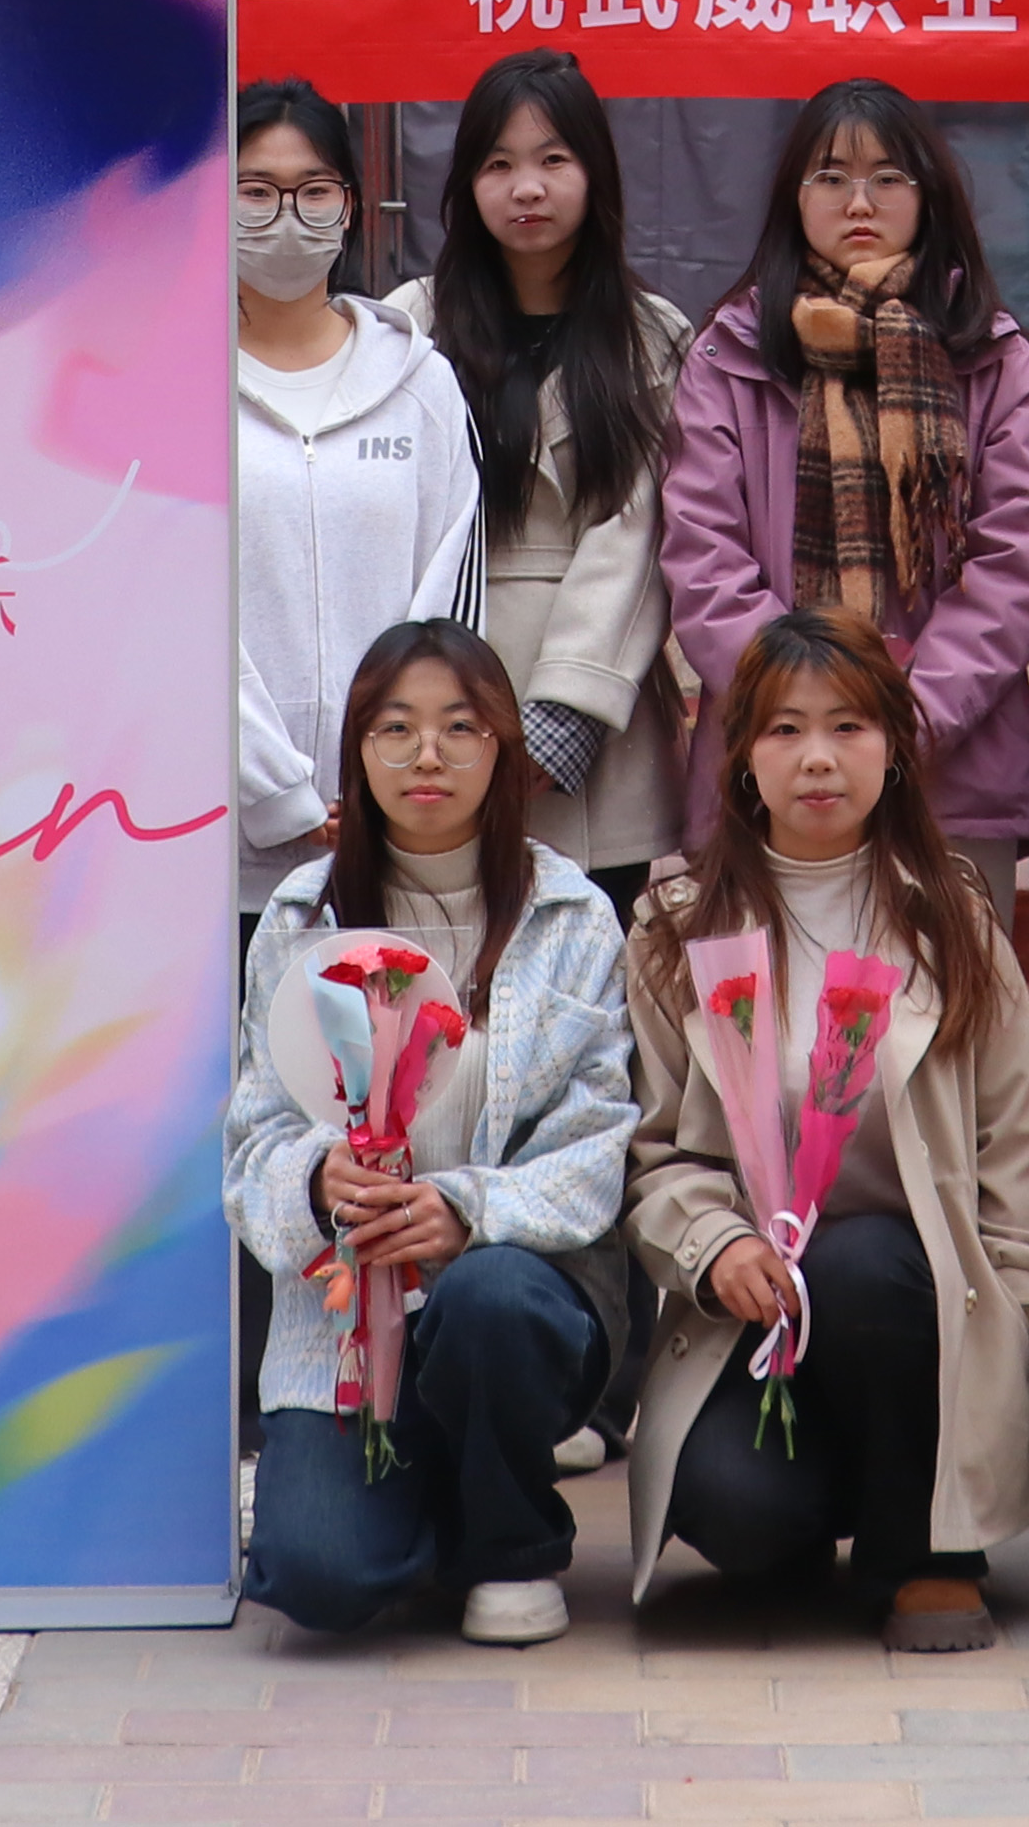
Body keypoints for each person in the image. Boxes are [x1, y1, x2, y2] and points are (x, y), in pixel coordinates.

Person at [619, 617, 1029, 1652]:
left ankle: (927, 1554)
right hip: (755, 1323)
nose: (817, 757)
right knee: (738, 1516)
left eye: (848, 726)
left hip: (913, 1305)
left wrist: (1016, 1316)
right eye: (784, 729)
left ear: (894, 747)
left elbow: (1012, 1140)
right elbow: (655, 1151)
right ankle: (841, 1491)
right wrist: (715, 1243)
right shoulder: (678, 929)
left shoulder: (951, 918)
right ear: (741, 754)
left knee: (861, 1262)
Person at [228, 621, 635, 1646]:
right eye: (395, 727)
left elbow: (597, 1142)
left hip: (517, 1299)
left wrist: (465, 1209)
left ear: (503, 748)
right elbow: (251, 1140)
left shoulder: (571, 916)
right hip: (343, 1320)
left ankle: (509, 1543)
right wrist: (317, 1179)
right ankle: (436, 1495)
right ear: (357, 750)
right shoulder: (302, 917)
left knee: (491, 1300)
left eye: (461, 727)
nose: (427, 754)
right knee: (317, 1576)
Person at [662, 82, 1029, 911]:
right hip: (771, 776)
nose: (859, 202)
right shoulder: (729, 354)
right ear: (793, 197)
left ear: (929, 194)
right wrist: (803, 724)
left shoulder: (991, 356)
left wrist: (902, 723)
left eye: (888, 177)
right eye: (831, 177)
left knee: (951, 991)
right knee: (771, 994)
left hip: (950, 767)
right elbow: (703, 557)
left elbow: (1015, 560)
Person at [400, 50, 695, 895]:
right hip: (440, 701)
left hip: (602, 715)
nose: (526, 188)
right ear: (466, 185)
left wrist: (568, 708)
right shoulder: (410, 324)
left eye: (553, 159)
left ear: (595, 173)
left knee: (592, 952)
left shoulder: (653, 336)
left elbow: (642, 530)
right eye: (498, 165)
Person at [231, 81, 488, 911]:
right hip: (212, 847)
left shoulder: (421, 385)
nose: (286, 217)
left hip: (391, 840)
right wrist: (274, 791)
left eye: (313, 191)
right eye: (255, 192)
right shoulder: (171, 391)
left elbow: (449, 603)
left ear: (350, 206)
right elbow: (161, 611)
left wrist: (398, 763)